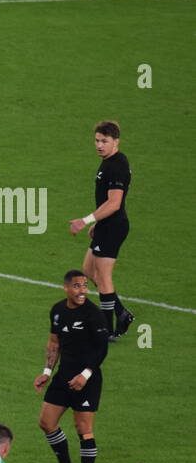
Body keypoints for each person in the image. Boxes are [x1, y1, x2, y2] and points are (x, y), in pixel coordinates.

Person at [34, 270, 109, 463]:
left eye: (85, 286)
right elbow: (53, 342)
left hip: (87, 379)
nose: (83, 290)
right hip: (63, 376)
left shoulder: (93, 314)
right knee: (46, 422)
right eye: (77, 286)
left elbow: (101, 349)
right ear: (66, 288)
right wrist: (47, 371)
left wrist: (85, 375)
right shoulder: (58, 311)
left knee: (83, 428)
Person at [69, 121, 135, 342]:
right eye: (97, 140)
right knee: (89, 271)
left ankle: (106, 331)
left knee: (104, 278)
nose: (99, 145)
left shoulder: (116, 166)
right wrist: (98, 223)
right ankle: (121, 313)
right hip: (107, 225)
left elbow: (114, 203)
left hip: (114, 227)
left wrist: (86, 220)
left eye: (104, 141)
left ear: (116, 141)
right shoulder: (109, 162)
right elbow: (107, 204)